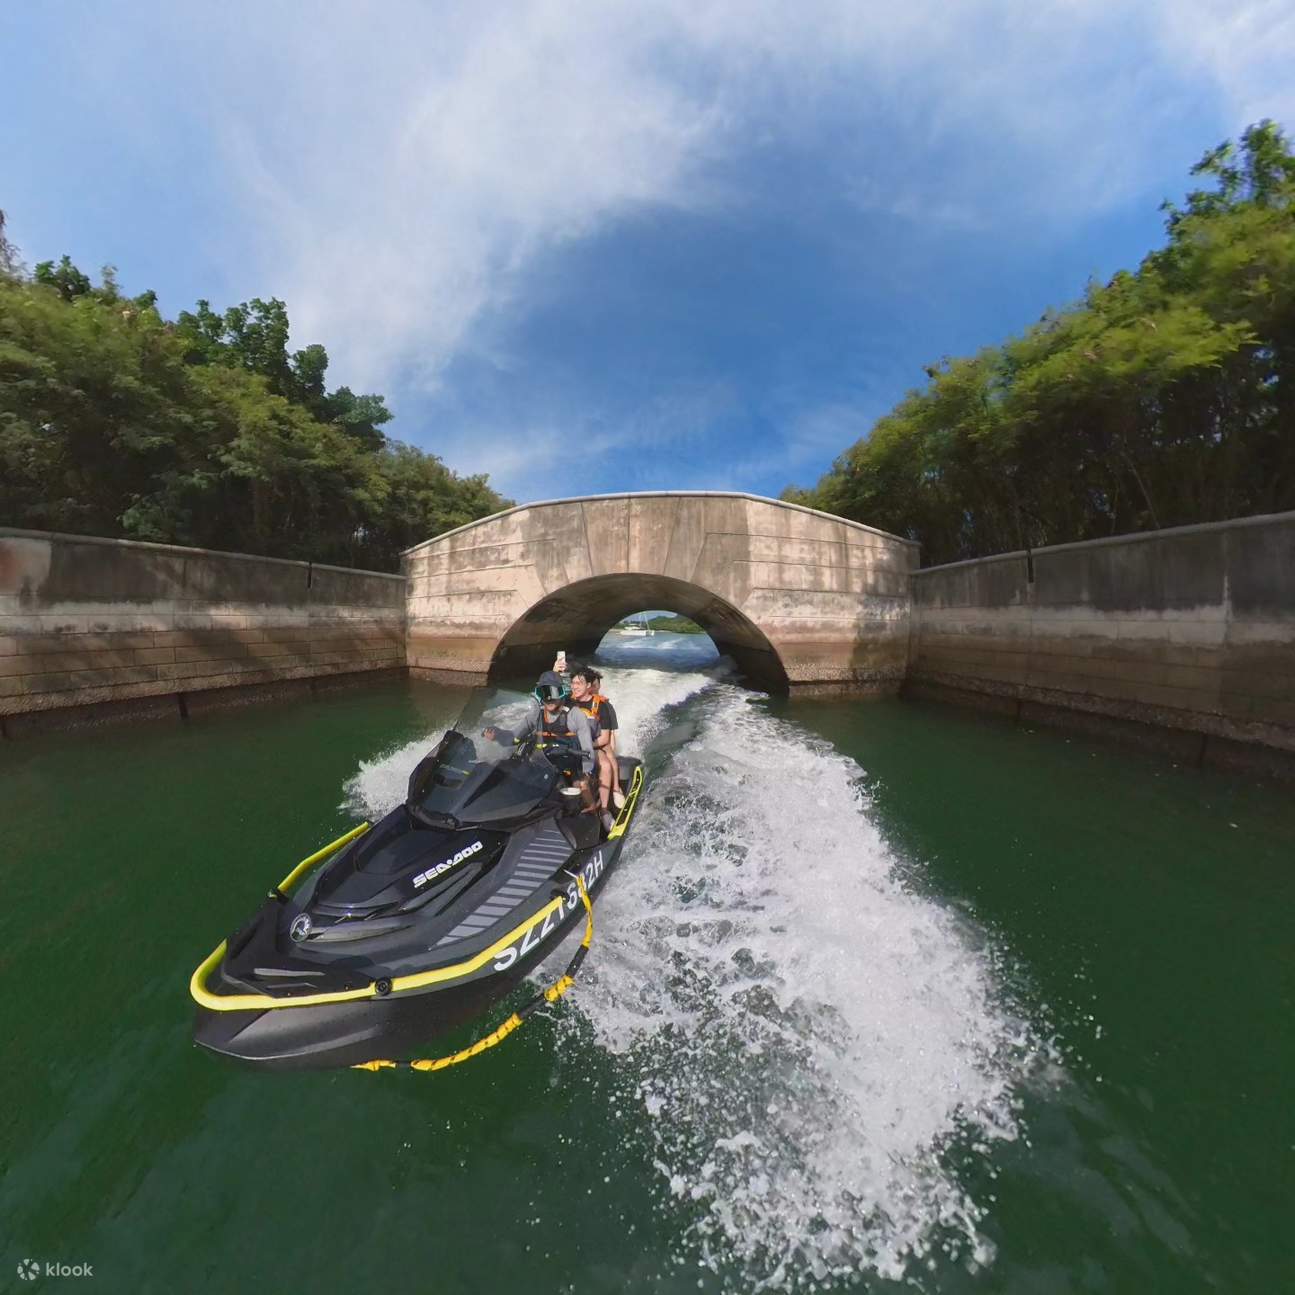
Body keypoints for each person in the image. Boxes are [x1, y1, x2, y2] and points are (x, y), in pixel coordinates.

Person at [485, 672, 608, 830]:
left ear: (561, 691)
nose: (548, 698)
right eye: (544, 693)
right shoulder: (536, 715)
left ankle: (596, 819)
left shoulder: (575, 715)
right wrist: (497, 735)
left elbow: (587, 750)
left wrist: (587, 774)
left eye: (553, 693)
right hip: (541, 767)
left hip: (569, 768)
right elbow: (513, 738)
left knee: (581, 789)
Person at [568, 664, 623, 813]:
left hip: (593, 746)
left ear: (588, 685)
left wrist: (584, 746)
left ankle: (605, 809)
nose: (574, 687)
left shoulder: (602, 706)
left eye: (578, 683)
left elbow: (605, 738)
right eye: (572, 683)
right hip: (568, 745)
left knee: (605, 765)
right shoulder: (568, 701)